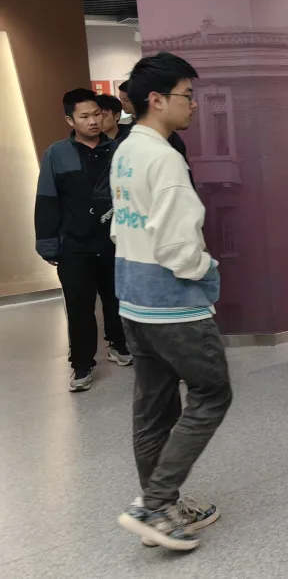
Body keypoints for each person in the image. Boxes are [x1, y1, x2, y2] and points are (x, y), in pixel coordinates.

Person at [113, 53, 231, 551]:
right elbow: (178, 247)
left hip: (132, 299)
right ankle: (155, 504)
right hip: (172, 305)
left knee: (154, 409)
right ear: (156, 100)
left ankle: (158, 511)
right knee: (212, 394)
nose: (194, 105)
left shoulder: (126, 151)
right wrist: (207, 269)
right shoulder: (164, 159)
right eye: (187, 95)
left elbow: (124, 226)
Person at [34, 88, 130, 391]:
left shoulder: (118, 151)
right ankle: (82, 364)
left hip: (114, 242)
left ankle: (120, 345)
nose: (93, 121)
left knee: (117, 299)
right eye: (85, 116)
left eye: (97, 114)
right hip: (74, 246)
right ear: (70, 120)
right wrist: (48, 243)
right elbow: (46, 200)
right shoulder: (56, 154)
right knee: (79, 307)